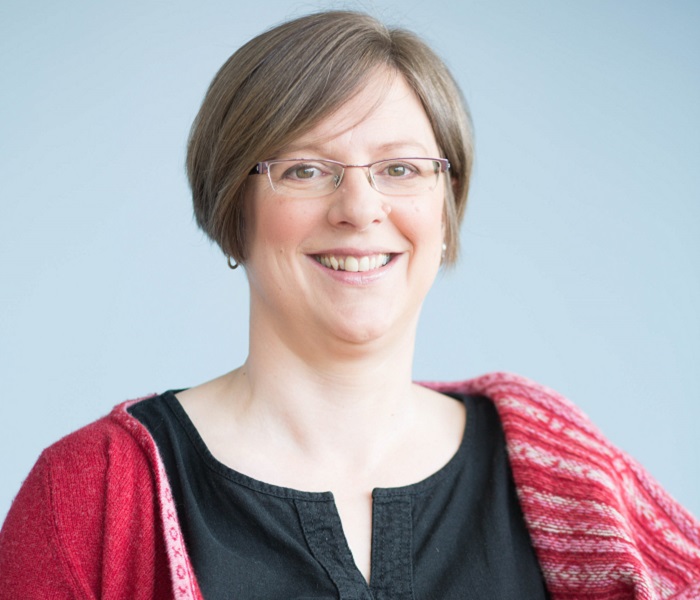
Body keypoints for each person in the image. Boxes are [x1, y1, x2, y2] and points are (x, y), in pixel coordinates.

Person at [0, 10, 698, 600]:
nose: (360, 208)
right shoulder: (87, 494)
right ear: (231, 210)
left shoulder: (566, 479)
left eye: (401, 169)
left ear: (446, 212)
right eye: (306, 169)